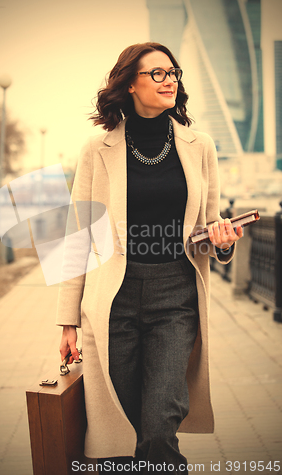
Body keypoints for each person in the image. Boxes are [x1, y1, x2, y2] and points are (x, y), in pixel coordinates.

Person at [57, 42, 243, 474]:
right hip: (112, 301)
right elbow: (76, 237)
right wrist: (67, 320)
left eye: (173, 72)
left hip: (175, 298)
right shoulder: (96, 149)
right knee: (116, 430)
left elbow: (207, 227)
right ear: (130, 85)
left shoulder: (200, 146)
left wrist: (223, 240)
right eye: (156, 73)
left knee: (160, 424)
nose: (170, 80)